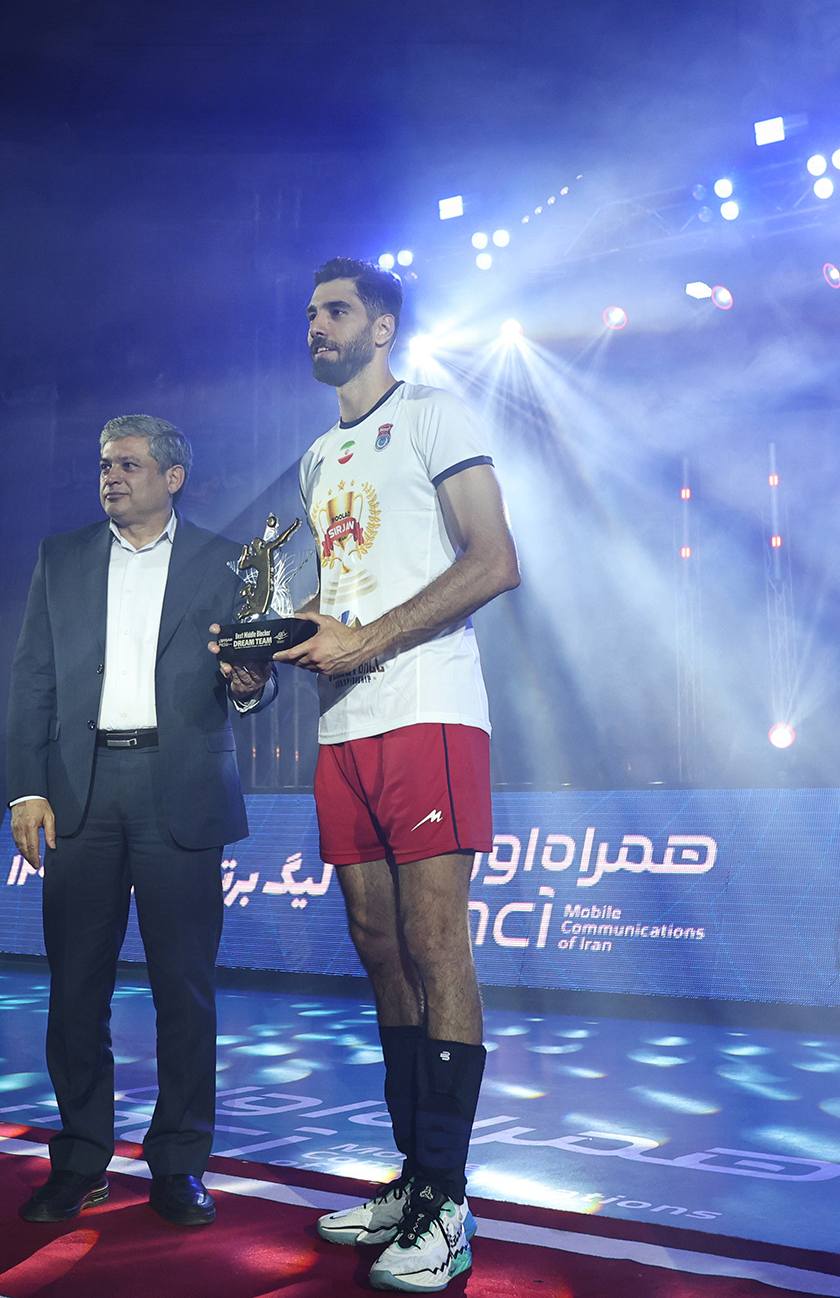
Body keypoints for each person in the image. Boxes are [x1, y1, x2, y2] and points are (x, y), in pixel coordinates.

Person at [279, 257, 518, 1292]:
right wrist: (267, 647)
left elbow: (493, 559)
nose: (315, 326)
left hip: (429, 711)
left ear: (381, 327)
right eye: (309, 313)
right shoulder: (314, 459)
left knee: (432, 941)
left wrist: (366, 640)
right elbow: (340, 592)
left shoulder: (432, 414)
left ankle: (448, 1203)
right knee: (378, 946)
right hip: (344, 727)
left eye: (335, 311)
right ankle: (414, 1176)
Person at [6, 414, 274, 1229]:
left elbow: (251, 680)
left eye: (127, 463)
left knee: (183, 990)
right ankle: (80, 1160)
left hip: (179, 789)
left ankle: (180, 1164)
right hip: (78, 791)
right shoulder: (61, 557)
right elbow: (32, 677)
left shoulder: (230, 561)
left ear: (172, 476)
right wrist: (26, 788)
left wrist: (251, 682)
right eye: (104, 464)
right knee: (74, 989)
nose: (111, 476)